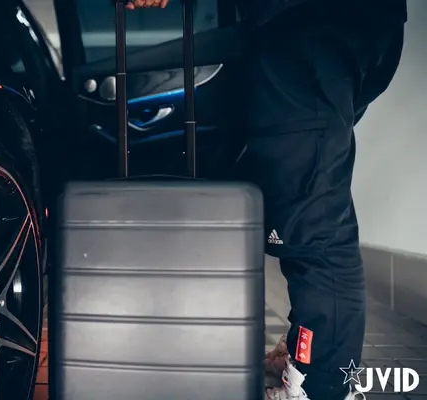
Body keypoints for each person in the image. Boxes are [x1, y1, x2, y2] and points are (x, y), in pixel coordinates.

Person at [126, 0, 407, 399]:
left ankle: (321, 385)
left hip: (309, 20)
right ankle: (307, 355)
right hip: (334, 21)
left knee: (312, 224)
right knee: (305, 195)